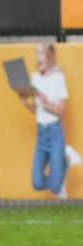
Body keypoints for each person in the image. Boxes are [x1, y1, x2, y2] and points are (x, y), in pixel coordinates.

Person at [20, 43, 77, 199]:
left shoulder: (59, 78)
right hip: (41, 135)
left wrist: (47, 103)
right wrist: (26, 104)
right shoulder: (34, 78)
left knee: (54, 189)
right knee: (37, 183)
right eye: (36, 54)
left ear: (49, 56)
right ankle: (61, 172)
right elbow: (36, 111)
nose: (38, 57)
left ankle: (66, 162)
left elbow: (62, 112)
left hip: (55, 134)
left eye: (41, 53)